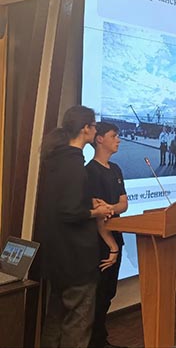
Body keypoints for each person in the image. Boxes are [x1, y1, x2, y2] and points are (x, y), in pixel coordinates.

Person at [37, 105, 113, 348]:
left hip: (57, 258)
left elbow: (62, 202)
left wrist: (88, 201)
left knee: (55, 320)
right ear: (85, 129)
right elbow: (69, 212)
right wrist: (96, 211)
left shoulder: (57, 159)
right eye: (94, 126)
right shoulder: (73, 164)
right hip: (76, 259)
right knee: (78, 326)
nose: (96, 130)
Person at [86, 122, 129, 348]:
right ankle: (95, 342)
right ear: (100, 139)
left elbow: (123, 204)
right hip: (101, 243)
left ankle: (101, 340)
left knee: (108, 292)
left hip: (116, 238)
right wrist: (111, 247)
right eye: (114, 136)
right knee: (99, 294)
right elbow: (98, 215)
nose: (118, 140)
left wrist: (110, 208)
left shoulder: (116, 169)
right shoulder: (90, 171)